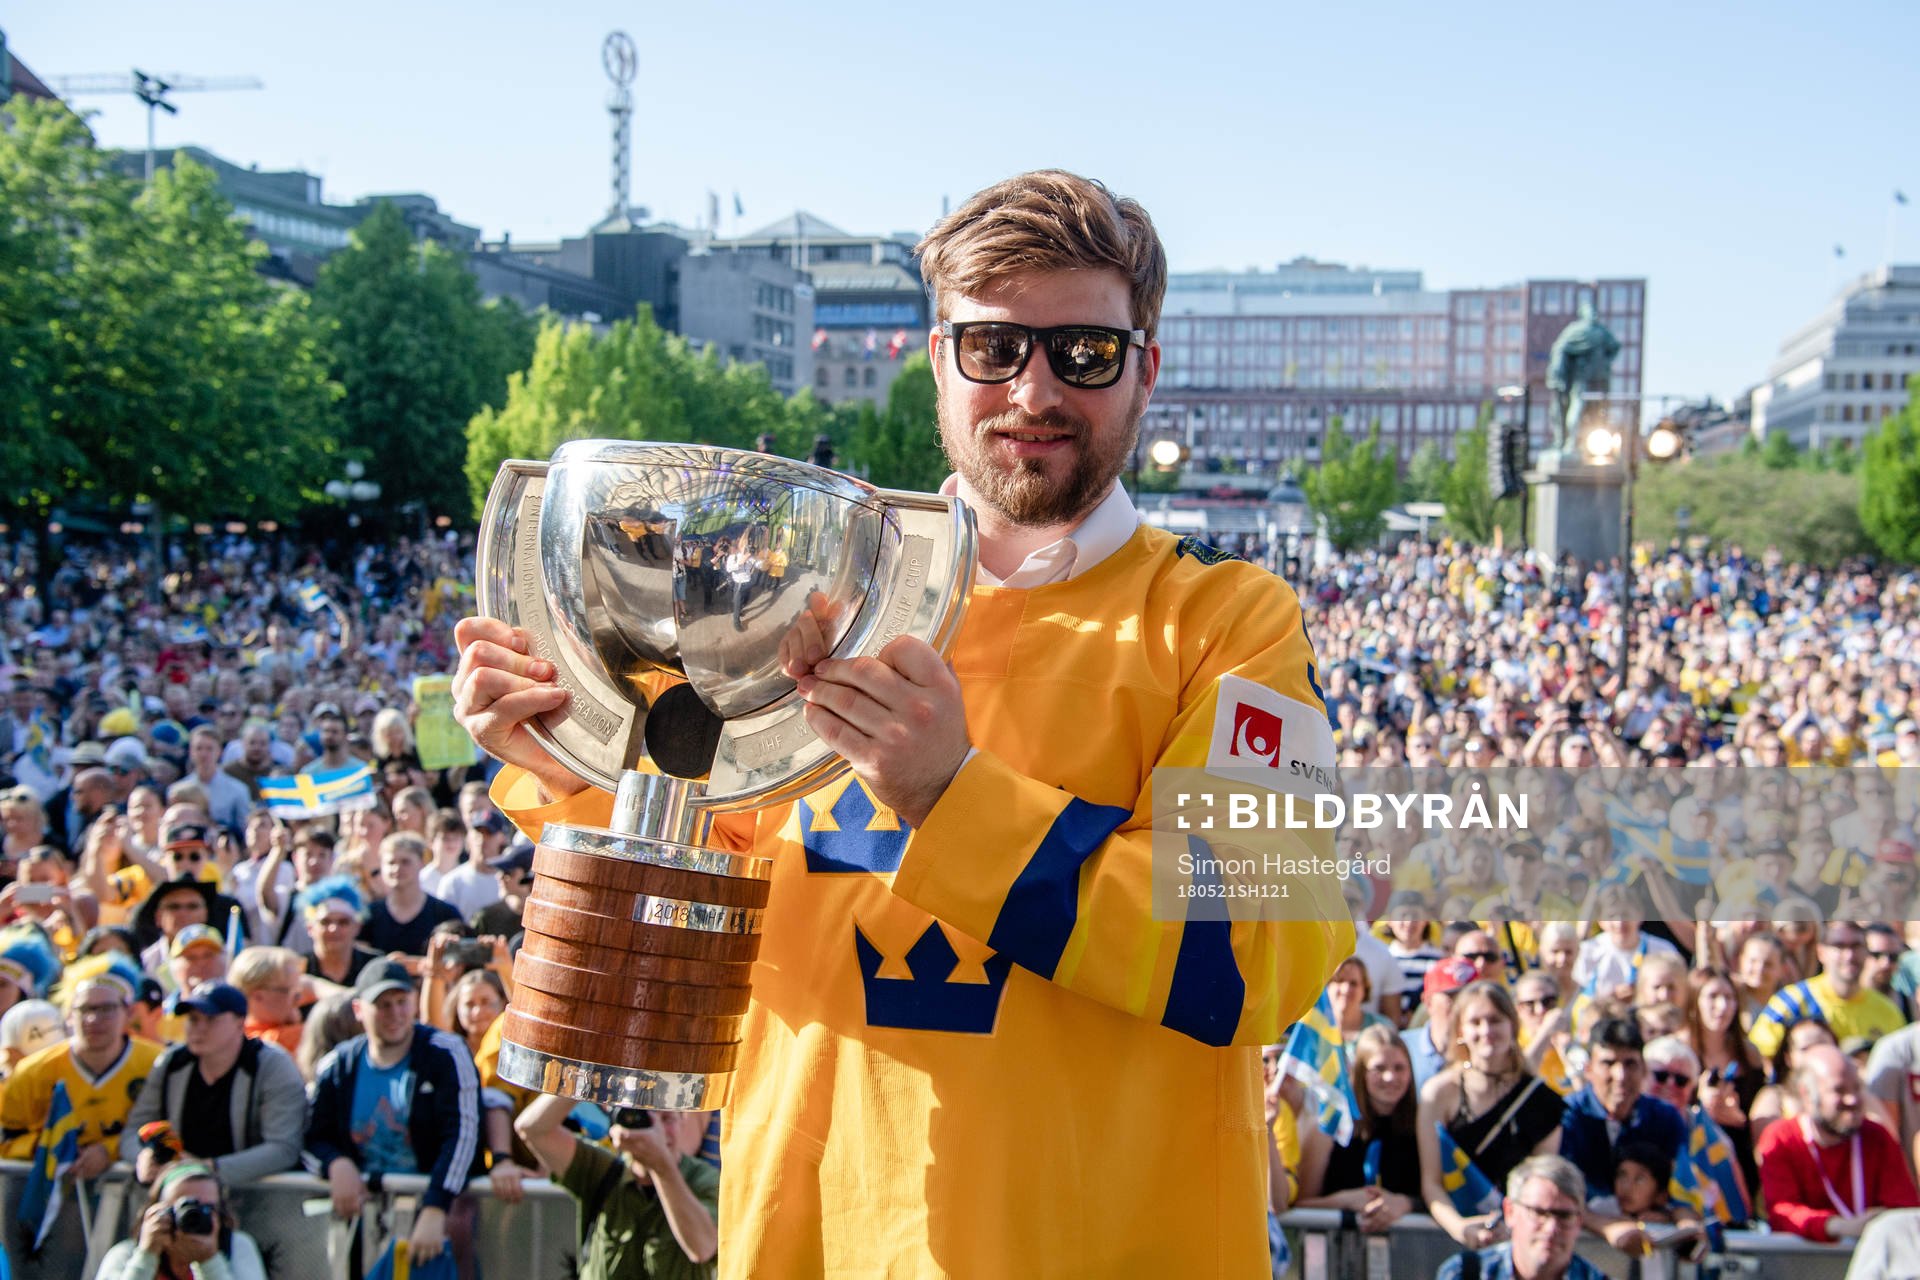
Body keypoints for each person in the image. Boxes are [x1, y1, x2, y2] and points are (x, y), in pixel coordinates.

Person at [453, 168, 1352, 1275]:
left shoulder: (1233, 623)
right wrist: (572, 757)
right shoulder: (803, 596)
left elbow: (1268, 951)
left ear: (1143, 372)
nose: (1033, 390)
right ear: (939, 358)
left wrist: (952, 798)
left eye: (1084, 353)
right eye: (993, 348)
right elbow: (704, 895)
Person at [304, 958, 483, 1268]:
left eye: (402, 1002)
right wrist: (335, 1163)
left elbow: (464, 1136)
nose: (395, 1014)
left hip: (435, 1213)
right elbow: (310, 1137)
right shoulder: (338, 1065)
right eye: (383, 1005)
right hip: (362, 1216)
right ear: (359, 1010)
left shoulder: (445, 1052)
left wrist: (436, 1206)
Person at [1417, 981, 1565, 1248]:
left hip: (1516, 1241)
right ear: (1460, 1030)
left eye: (1495, 1020)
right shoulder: (1437, 1094)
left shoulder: (1541, 1100)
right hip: (1447, 1239)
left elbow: (1541, 1183)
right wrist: (1460, 1228)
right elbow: (1431, 1183)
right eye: (1475, 1022)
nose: (1486, 1031)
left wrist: (1513, 1230)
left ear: (1512, 1026)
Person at [514, 1092, 719, 1280]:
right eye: (645, 1118)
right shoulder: (606, 1171)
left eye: (667, 1119)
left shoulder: (704, 1179)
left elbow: (703, 1247)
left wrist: (661, 1167)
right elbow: (532, 1128)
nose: (658, 1131)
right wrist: (588, 1070)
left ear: (684, 1121)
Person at [121, 981, 307, 1183]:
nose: (198, 1028)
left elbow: (284, 1148)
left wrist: (205, 1171)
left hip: (256, 1202)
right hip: (178, 1193)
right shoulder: (171, 1064)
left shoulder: (272, 1066)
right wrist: (143, 1157)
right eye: (193, 1019)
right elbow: (133, 1131)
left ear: (239, 1022)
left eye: (210, 1019)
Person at [0, 956, 162, 1168]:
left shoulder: (157, 1064)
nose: (93, 1020)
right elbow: (6, 1140)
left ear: (129, 1012)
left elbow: (172, 1130)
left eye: (106, 1009)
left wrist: (110, 1150)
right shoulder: (32, 1072)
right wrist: (49, 1145)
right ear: (68, 1016)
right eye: (85, 1009)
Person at [1757, 1044, 1920, 1243]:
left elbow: (1904, 1207)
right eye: (1839, 1090)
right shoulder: (1781, 1139)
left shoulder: (1877, 1137)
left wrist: (1880, 1222)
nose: (1851, 1099)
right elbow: (1782, 1212)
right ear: (1807, 1095)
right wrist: (1836, 1226)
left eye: (1857, 1088)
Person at [1294, 1024, 1421, 1232]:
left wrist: (1405, 1203)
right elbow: (1300, 1204)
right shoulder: (1329, 1126)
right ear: (1361, 1073)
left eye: (1399, 1068)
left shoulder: (1420, 1124)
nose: (1390, 1077)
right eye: (1379, 1068)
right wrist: (1345, 1200)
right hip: (1338, 1247)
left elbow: (1438, 1198)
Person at [1750, 921, 1906, 1059]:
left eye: (1856, 946)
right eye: (1839, 946)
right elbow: (1759, 1055)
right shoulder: (1792, 1002)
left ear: (1866, 952)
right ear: (1821, 952)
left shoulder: (1888, 1011)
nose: (1849, 955)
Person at [1435, 1154, 1605, 1280]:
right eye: (1539, 1213)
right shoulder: (1464, 1273)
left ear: (1579, 1221)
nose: (1551, 1227)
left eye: (1564, 1216)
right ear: (1510, 1212)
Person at [96, 1160, 268, 1280]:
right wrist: (146, 1256)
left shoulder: (238, 1247)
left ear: (221, 1214)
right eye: (183, 1207)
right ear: (157, 1210)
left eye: (207, 1208)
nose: (194, 1215)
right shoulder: (125, 1255)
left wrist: (209, 1262)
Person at [363, 832, 461, 958]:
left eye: (405, 862)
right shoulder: (370, 915)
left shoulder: (444, 913)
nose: (397, 868)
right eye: (391, 863)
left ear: (421, 863)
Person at [1406, 958, 1476, 1088]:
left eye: (1470, 998)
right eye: (1452, 998)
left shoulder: (1489, 1050)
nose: (1462, 1006)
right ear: (1428, 1002)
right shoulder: (1402, 1050)